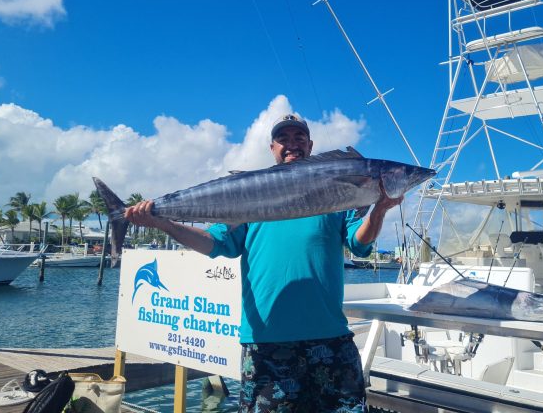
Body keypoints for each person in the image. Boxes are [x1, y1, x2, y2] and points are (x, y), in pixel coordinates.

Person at [125, 113, 402, 412]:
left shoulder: (338, 198)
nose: (292, 145)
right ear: (272, 147)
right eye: (284, 139)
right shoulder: (252, 194)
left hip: (330, 338)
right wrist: (163, 223)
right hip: (268, 343)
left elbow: (360, 245)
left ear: (311, 146)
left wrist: (379, 209)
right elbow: (214, 243)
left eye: (299, 138)